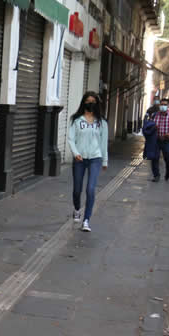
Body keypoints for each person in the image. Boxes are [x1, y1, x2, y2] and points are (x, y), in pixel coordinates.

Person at [68, 91, 108, 233]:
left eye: (93, 101)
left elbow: (103, 143)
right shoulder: (76, 120)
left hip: (95, 158)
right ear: (83, 102)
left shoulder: (102, 122)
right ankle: (77, 209)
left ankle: (86, 220)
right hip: (79, 159)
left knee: (90, 189)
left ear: (97, 104)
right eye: (88, 101)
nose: (90, 103)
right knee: (77, 190)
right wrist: (76, 153)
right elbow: (71, 139)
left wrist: (105, 160)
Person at [148, 97, 169, 182]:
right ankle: (156, 175)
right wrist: (153, 128)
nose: (163, 106)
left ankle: (168, 171)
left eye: (165, 105)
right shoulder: (155, 115)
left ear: (168, 106)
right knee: (155, 158)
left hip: (168, 140)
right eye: (161, 104)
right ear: (159, 105)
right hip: (156, 140)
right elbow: (149, 126)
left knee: (168, 159)